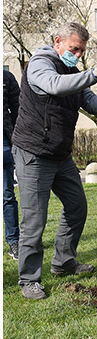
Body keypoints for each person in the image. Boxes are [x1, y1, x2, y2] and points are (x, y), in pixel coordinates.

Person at [11, 22, 97, 299]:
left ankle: (63, 261)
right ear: (58, 42)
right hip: (34, 153)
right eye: (74, 49)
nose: (77, 54)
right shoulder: (39, 65)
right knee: (34, 221)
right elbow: (56, 86)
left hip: (60, 154)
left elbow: (87, 98)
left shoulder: (72, 71)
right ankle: (29, 278)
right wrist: (95, 73)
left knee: (76, 207)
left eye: (81, 51)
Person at [3, 70, 20, 260]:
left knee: (7, 195)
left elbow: (18, 110)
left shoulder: (6, 79)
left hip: (5, 144)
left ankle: (14, 241)